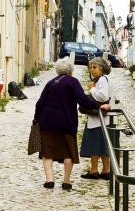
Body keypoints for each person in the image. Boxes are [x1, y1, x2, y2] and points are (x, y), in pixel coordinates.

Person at [33, 59, 109, 191]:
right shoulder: (73, 82)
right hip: (66, 122)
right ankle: (66, 182)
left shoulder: (50, 83)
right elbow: (83, 100)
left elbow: (39, 103)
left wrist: (36, 119)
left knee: (47, 152)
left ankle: (49, 180)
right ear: (70, 71)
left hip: (47, 121)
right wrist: (98, 106)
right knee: (68, 152)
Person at [80, 57, 113, 180]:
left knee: (95, 145)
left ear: (102, 68)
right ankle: (105, 171)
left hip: (98, 119)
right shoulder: (104, 80)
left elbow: (102, 96)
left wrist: (91, 88)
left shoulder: (102, 80)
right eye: (90, 67)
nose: (91, 70)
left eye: (94, 67)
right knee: (103, 146)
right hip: (101, 119)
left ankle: (95, 171)